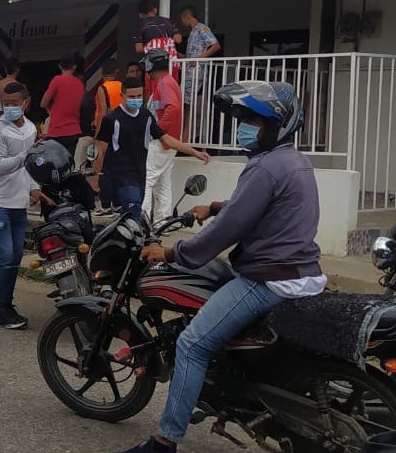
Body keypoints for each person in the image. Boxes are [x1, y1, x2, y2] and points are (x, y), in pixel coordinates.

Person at [117, 81, 326, 453]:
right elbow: (252, 207)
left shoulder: (264, 167)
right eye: (242, 118)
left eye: (252, 120)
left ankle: (164, 441)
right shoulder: (293, 161)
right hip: (302, 274)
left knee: (192, 343)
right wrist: (214, 207)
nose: (244, 126)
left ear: (278, 125)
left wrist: (170, 253)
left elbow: (227, 232)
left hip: (269, 279)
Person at [0, 81, 53, 329]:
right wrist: (27, 154)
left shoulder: (31, 128)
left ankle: (7, 304)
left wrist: (34, 188)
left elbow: (30, 167)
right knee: (5, 255)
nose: (10, 108)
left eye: (14, 104)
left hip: (17, 202)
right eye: (6, 104)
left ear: (25, 102)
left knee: (16, 255)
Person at [93, 77, 209, 220]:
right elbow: (101, 150)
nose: (136, 99)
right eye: (131, 97)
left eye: (139, 96)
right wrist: (98, 174)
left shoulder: (146, 116)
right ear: (122, 96)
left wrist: (195, 152)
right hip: (120, 177)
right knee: (134, 213)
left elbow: (166, 138)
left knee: (132, 217)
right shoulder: (112, 119)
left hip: (140, 176)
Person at [141, 49, 184, 223]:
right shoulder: (168, 81)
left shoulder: (164, 83)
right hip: (167, 142)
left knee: (147, 181)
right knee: (163, 184)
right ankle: (162, 221)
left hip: (160, 141)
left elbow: (172, 107)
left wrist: (158, 130)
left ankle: (141, 221)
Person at [179, 6, 221, 141]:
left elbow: (215, 45)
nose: (182, 23)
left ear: (187, 17)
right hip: (189, 71)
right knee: (185, 103)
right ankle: (183, 137)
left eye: (182, 19)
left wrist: (200, 58)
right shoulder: (192, 32)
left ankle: (185, 138)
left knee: (188, 103)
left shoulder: (201, 28)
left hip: (196, 73)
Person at [90, 60, 124, 216]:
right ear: (116, 71)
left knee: (104, 169)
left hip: (107, 131)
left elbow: (103, 113)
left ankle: (105, 205)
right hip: (122, 130)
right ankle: (117, 203)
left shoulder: (102, 88)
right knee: (117, 168)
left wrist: (97, 136)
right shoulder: (122, 86)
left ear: (102, 73)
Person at [39, 56, 85, 155]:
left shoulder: (57, 80)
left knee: (56, 164)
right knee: (68, 163)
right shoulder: (80, 84)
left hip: (57, 130)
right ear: (74, 67)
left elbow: (43, 103)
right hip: (74, 130)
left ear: (60, 66)